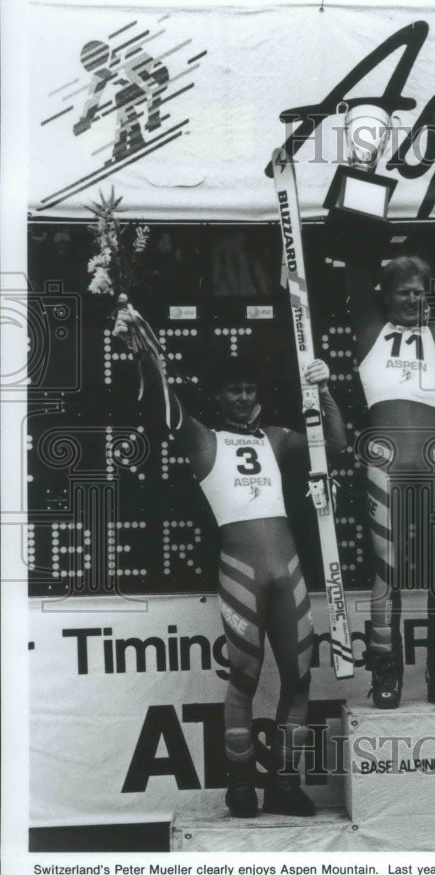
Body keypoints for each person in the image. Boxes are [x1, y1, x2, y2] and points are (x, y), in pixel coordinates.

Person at [113, 302, 347, 818]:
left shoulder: (278, 439)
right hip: (241, 571)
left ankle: (284, 785)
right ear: (219, 396)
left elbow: (336, 444)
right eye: (234, 390)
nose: (243, 397)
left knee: (301, 676)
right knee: (244, 675)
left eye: (250, 389)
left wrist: (325, 390)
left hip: (288, 572)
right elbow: (163, 404)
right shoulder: (203, 439)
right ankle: (240, 784)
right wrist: (143, 351)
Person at [346, 256, 435, 709]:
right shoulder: (370, 332)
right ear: (386, 295)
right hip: (385, 460)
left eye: (420, 291)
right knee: (386, 566)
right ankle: (385, 671)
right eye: (404, 292)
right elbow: (355, 276)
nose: (414, 298)